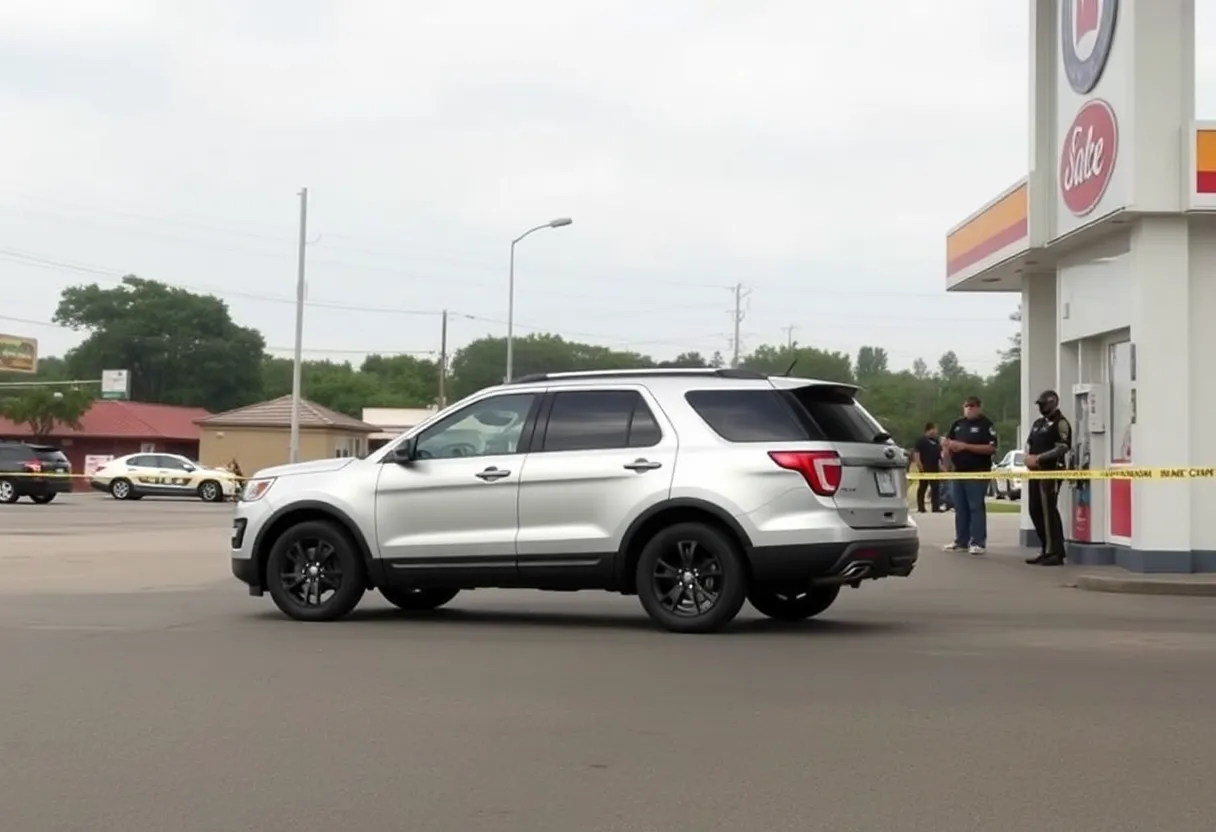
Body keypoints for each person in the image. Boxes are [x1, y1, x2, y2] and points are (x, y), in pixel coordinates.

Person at [942, 396, 997, 555]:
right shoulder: (958, 424)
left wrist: (965, 446)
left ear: (979, 407)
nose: (969, 409)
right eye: (966, 406)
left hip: (978, 471)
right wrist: (946, 455)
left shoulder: (986, 425)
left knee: (975, 507)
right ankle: (961, 541)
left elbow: (991, 448)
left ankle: (978, 542)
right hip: (959, 471)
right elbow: (948, 443)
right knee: (960, 507)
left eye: (972, 406)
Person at [1024, 389, 1071, 566]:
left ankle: (1056, 552)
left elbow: (1063, 447)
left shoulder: (1061, 423)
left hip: (1051, 471)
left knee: (1048, 510)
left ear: (1052, 403)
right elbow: (1030, 443)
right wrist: (1028, 458)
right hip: (1035, 472)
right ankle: (1045, 548)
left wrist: (1040, 459)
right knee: (1034, 509)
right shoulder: (1038, 423)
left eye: (1043, 404)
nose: (1041, 408)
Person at [911, 422, 944, 513]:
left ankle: (935, 507)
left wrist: (941, 465)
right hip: (925, 467)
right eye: (935, 429)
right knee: (923, 487)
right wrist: (919, 464)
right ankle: (921, 507)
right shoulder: (921, 440)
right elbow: (916, 453)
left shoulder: (936, 441)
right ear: (930, 429)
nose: (937, 431)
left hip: (934, 468)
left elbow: (939, 455)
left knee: (935, 488)